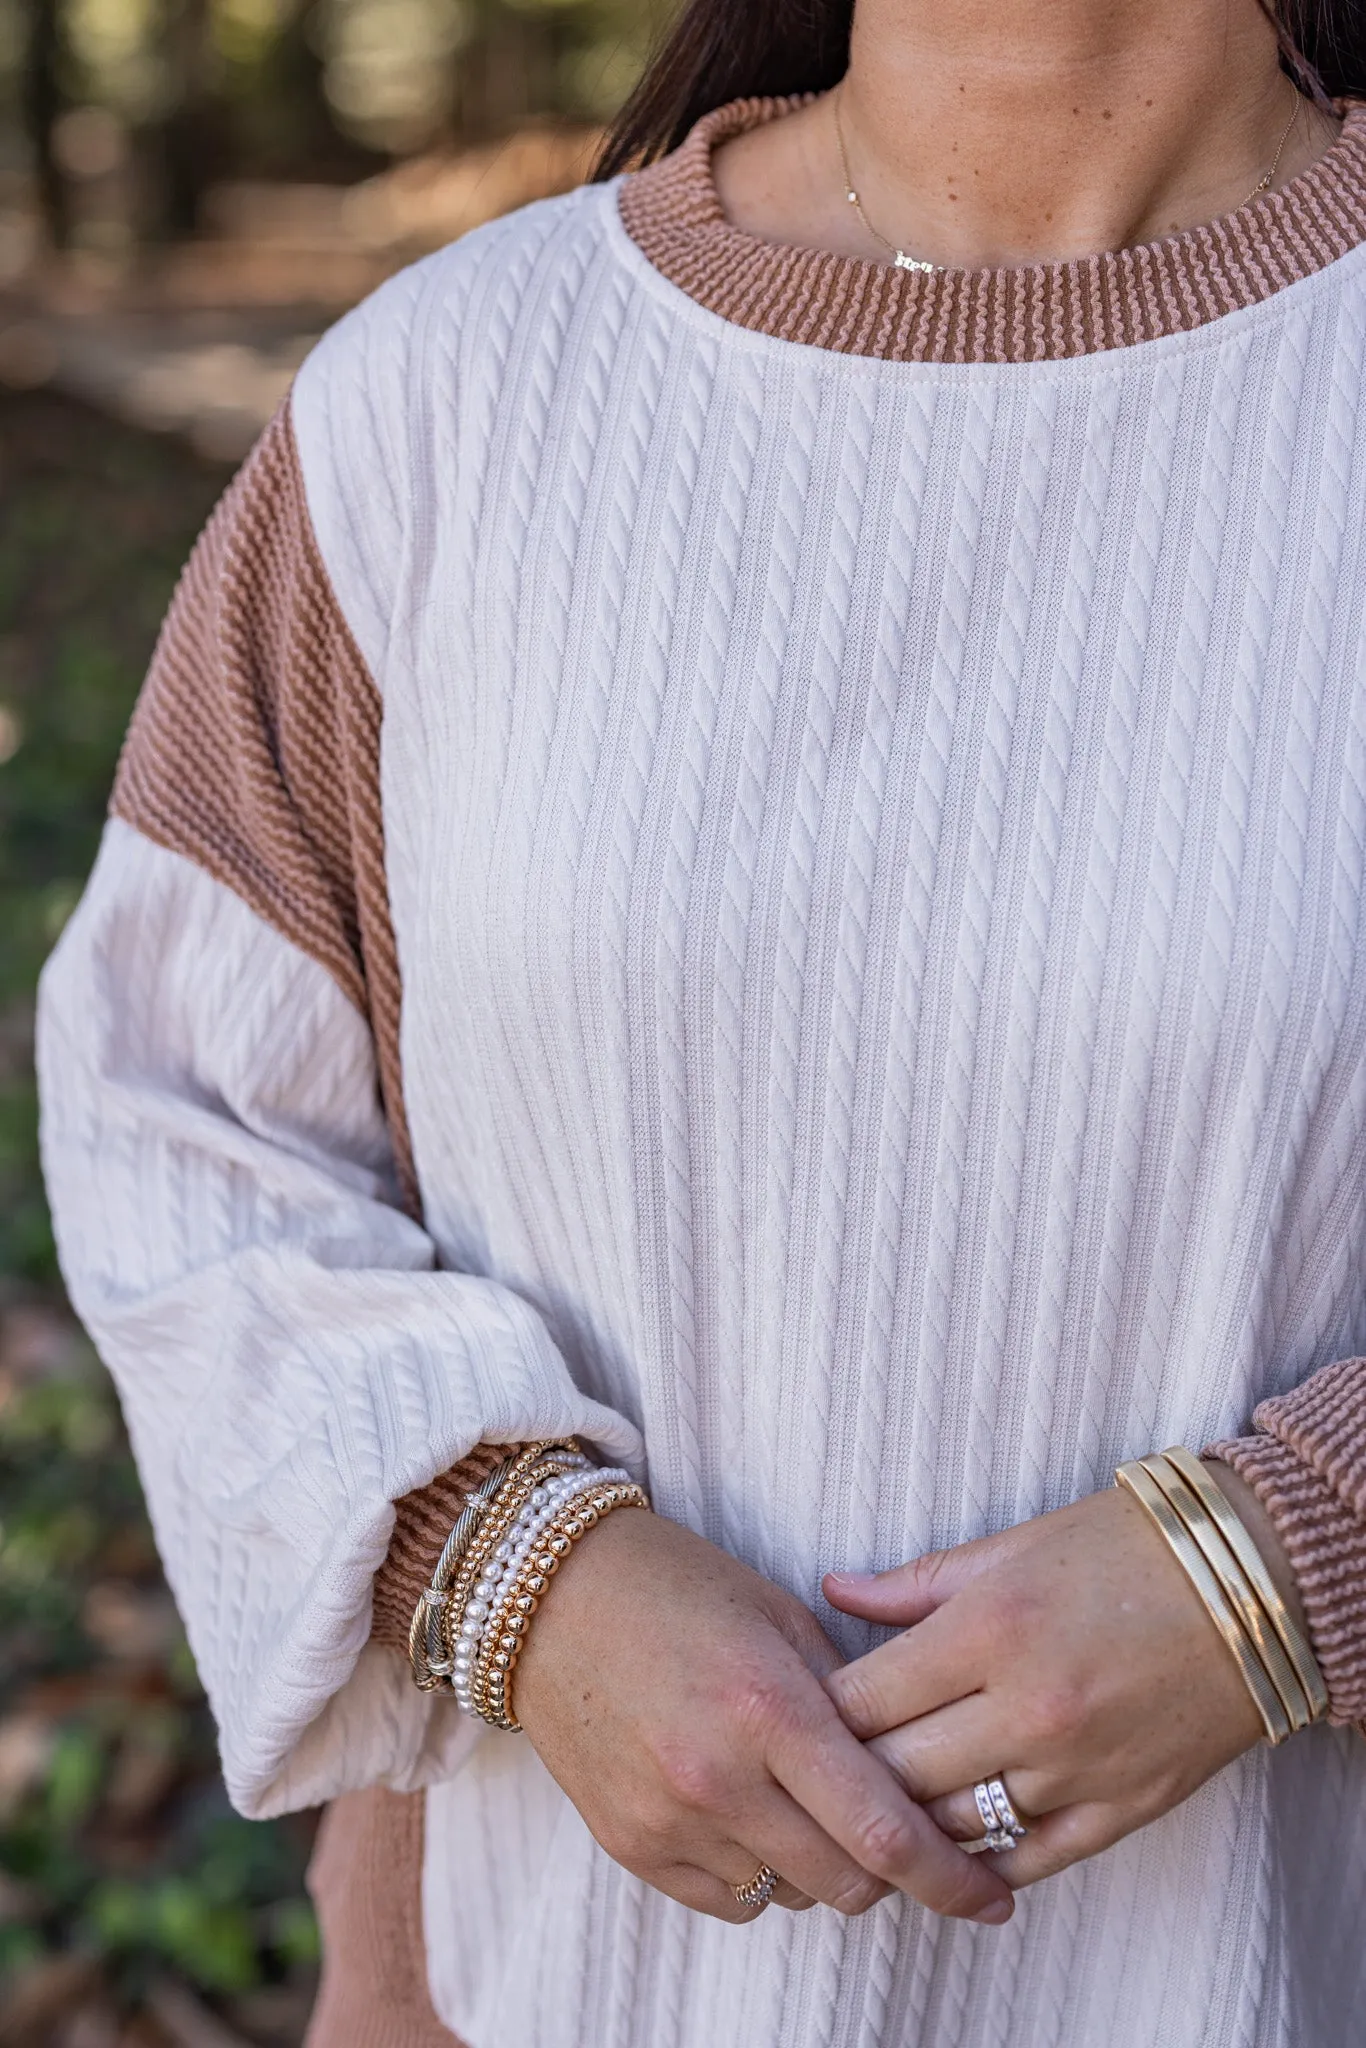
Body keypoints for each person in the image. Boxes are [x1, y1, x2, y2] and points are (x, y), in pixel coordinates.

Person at [36, 0, 1366, 2040]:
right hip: (532, 1984)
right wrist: (503, 1561)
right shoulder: (450, 399)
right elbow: (183, 1121)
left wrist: (1291, 1554)